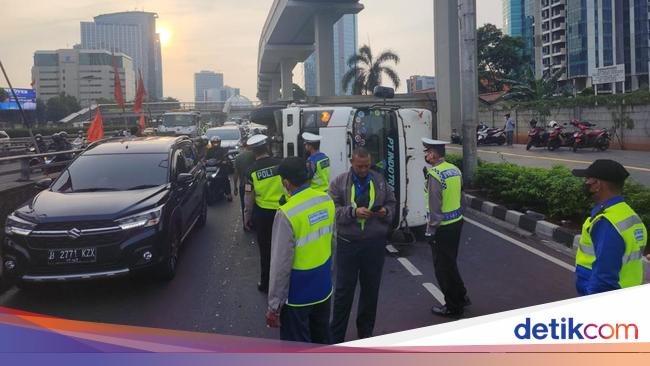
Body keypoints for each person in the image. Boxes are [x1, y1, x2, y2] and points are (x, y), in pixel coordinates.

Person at [329, 147, 396, 343]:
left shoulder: (380, 181)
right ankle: (336, 336)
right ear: (352, 162)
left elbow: (392, 203)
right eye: (359, 166)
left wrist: (385, 211)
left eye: (366, 166)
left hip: (374, 244)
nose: (363, 170)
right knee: (343, 292)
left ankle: (365, 334)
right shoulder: (339, 182)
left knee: (371, 290)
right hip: (348, 244)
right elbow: (331, 209)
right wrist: (352, 212)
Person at [266, 157, 335, 343]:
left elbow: (280, 265)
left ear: (286, 182)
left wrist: (274, 306)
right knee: (322, 338)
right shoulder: (326, 200)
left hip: (298, 295)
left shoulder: (287, 213)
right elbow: (331, 242)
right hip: (323, 287)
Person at [572, 160, 647, 296]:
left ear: (597, 185)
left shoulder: (607, 223)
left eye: (588, 180)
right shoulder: (629, 215)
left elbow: (604, 278)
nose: (585, 183)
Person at [422, 138, 470, 319]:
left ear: (433, 154)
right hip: (456, 223)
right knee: (451, 264)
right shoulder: (454, 170)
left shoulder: (435, 174)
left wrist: (430, 231)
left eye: (427, 152)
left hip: (442, 228)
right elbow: (461, 198)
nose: (426, 155)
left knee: (443, 269)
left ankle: (453, 307)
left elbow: (435, 207)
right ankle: (461, 296)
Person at [244, 135, 285, 293]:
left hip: (263, 216)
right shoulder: (281, 164)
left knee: (266, 251)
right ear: (267, 147)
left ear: (254, 152)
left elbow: (248, 199)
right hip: (283, 212)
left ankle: (266, 283)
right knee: (284, 248)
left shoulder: (251, 171)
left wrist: (247, 218)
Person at [233, 142, 256, 226]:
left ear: (243, 147)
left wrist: (235, 187)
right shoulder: (254, 155)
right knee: (256, 203)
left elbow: (235, 173)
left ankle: (246, 223)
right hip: (255, 183)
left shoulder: (238, 158)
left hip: (246, 185)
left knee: (245, 205)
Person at [206, 136, 233, 202]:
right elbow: (205, 158)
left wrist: (225, 161)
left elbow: (227, 157)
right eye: (214, 142)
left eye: (217, 142)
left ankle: (229, 194)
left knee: (225, 179)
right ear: (211, 143)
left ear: (219, 142)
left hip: (221, 168)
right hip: (210, 168)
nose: (215, 144)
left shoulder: (223, 150)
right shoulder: (209, 150)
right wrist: (203, 161)